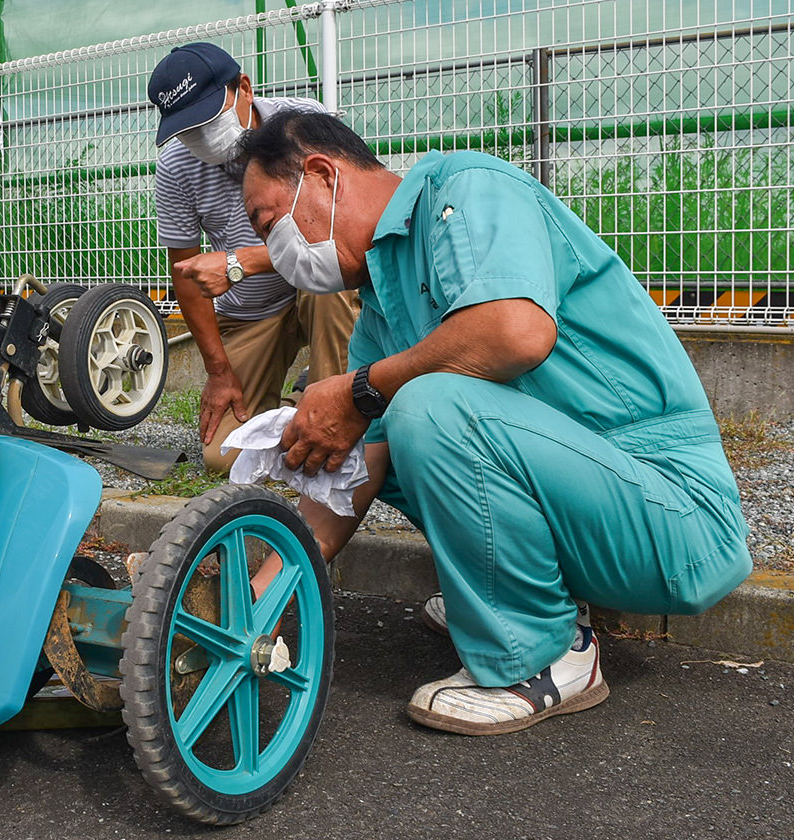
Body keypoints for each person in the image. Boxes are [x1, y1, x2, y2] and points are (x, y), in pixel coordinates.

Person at [236, 110, 752, 735]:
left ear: (321, 174)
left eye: (271, 223)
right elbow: (352, 481)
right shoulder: (380, 304)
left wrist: (362, 389)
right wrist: (252, 607)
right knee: (374, 442)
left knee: (426, 408)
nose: (274, 251)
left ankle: (545, 657)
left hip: (676, 518)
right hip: (601, 508)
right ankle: (530, 597)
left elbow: (515, 331)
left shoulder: (467, 190)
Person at [147, 43, 359, 473]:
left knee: (327, 285)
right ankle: (301, 405)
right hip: (251, 311)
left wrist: (241, 262)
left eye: (208, 120)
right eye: (187, 129)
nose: (201, 138)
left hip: (314, 288)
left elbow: (344, 235)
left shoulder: (306, 126)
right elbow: (186, 275)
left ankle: (340, 409)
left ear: (243, 88)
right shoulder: (174, 167)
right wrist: (218, 371)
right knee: (225, 456)